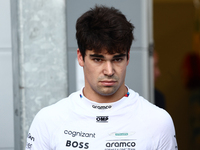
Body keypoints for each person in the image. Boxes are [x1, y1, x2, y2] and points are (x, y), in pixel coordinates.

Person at [25, 5, 178, 150]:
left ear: (128, 57)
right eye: (98, 59)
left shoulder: (158, 121)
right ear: (80, 57)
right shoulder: (48, 120)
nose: (109, 71)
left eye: (117, 59)